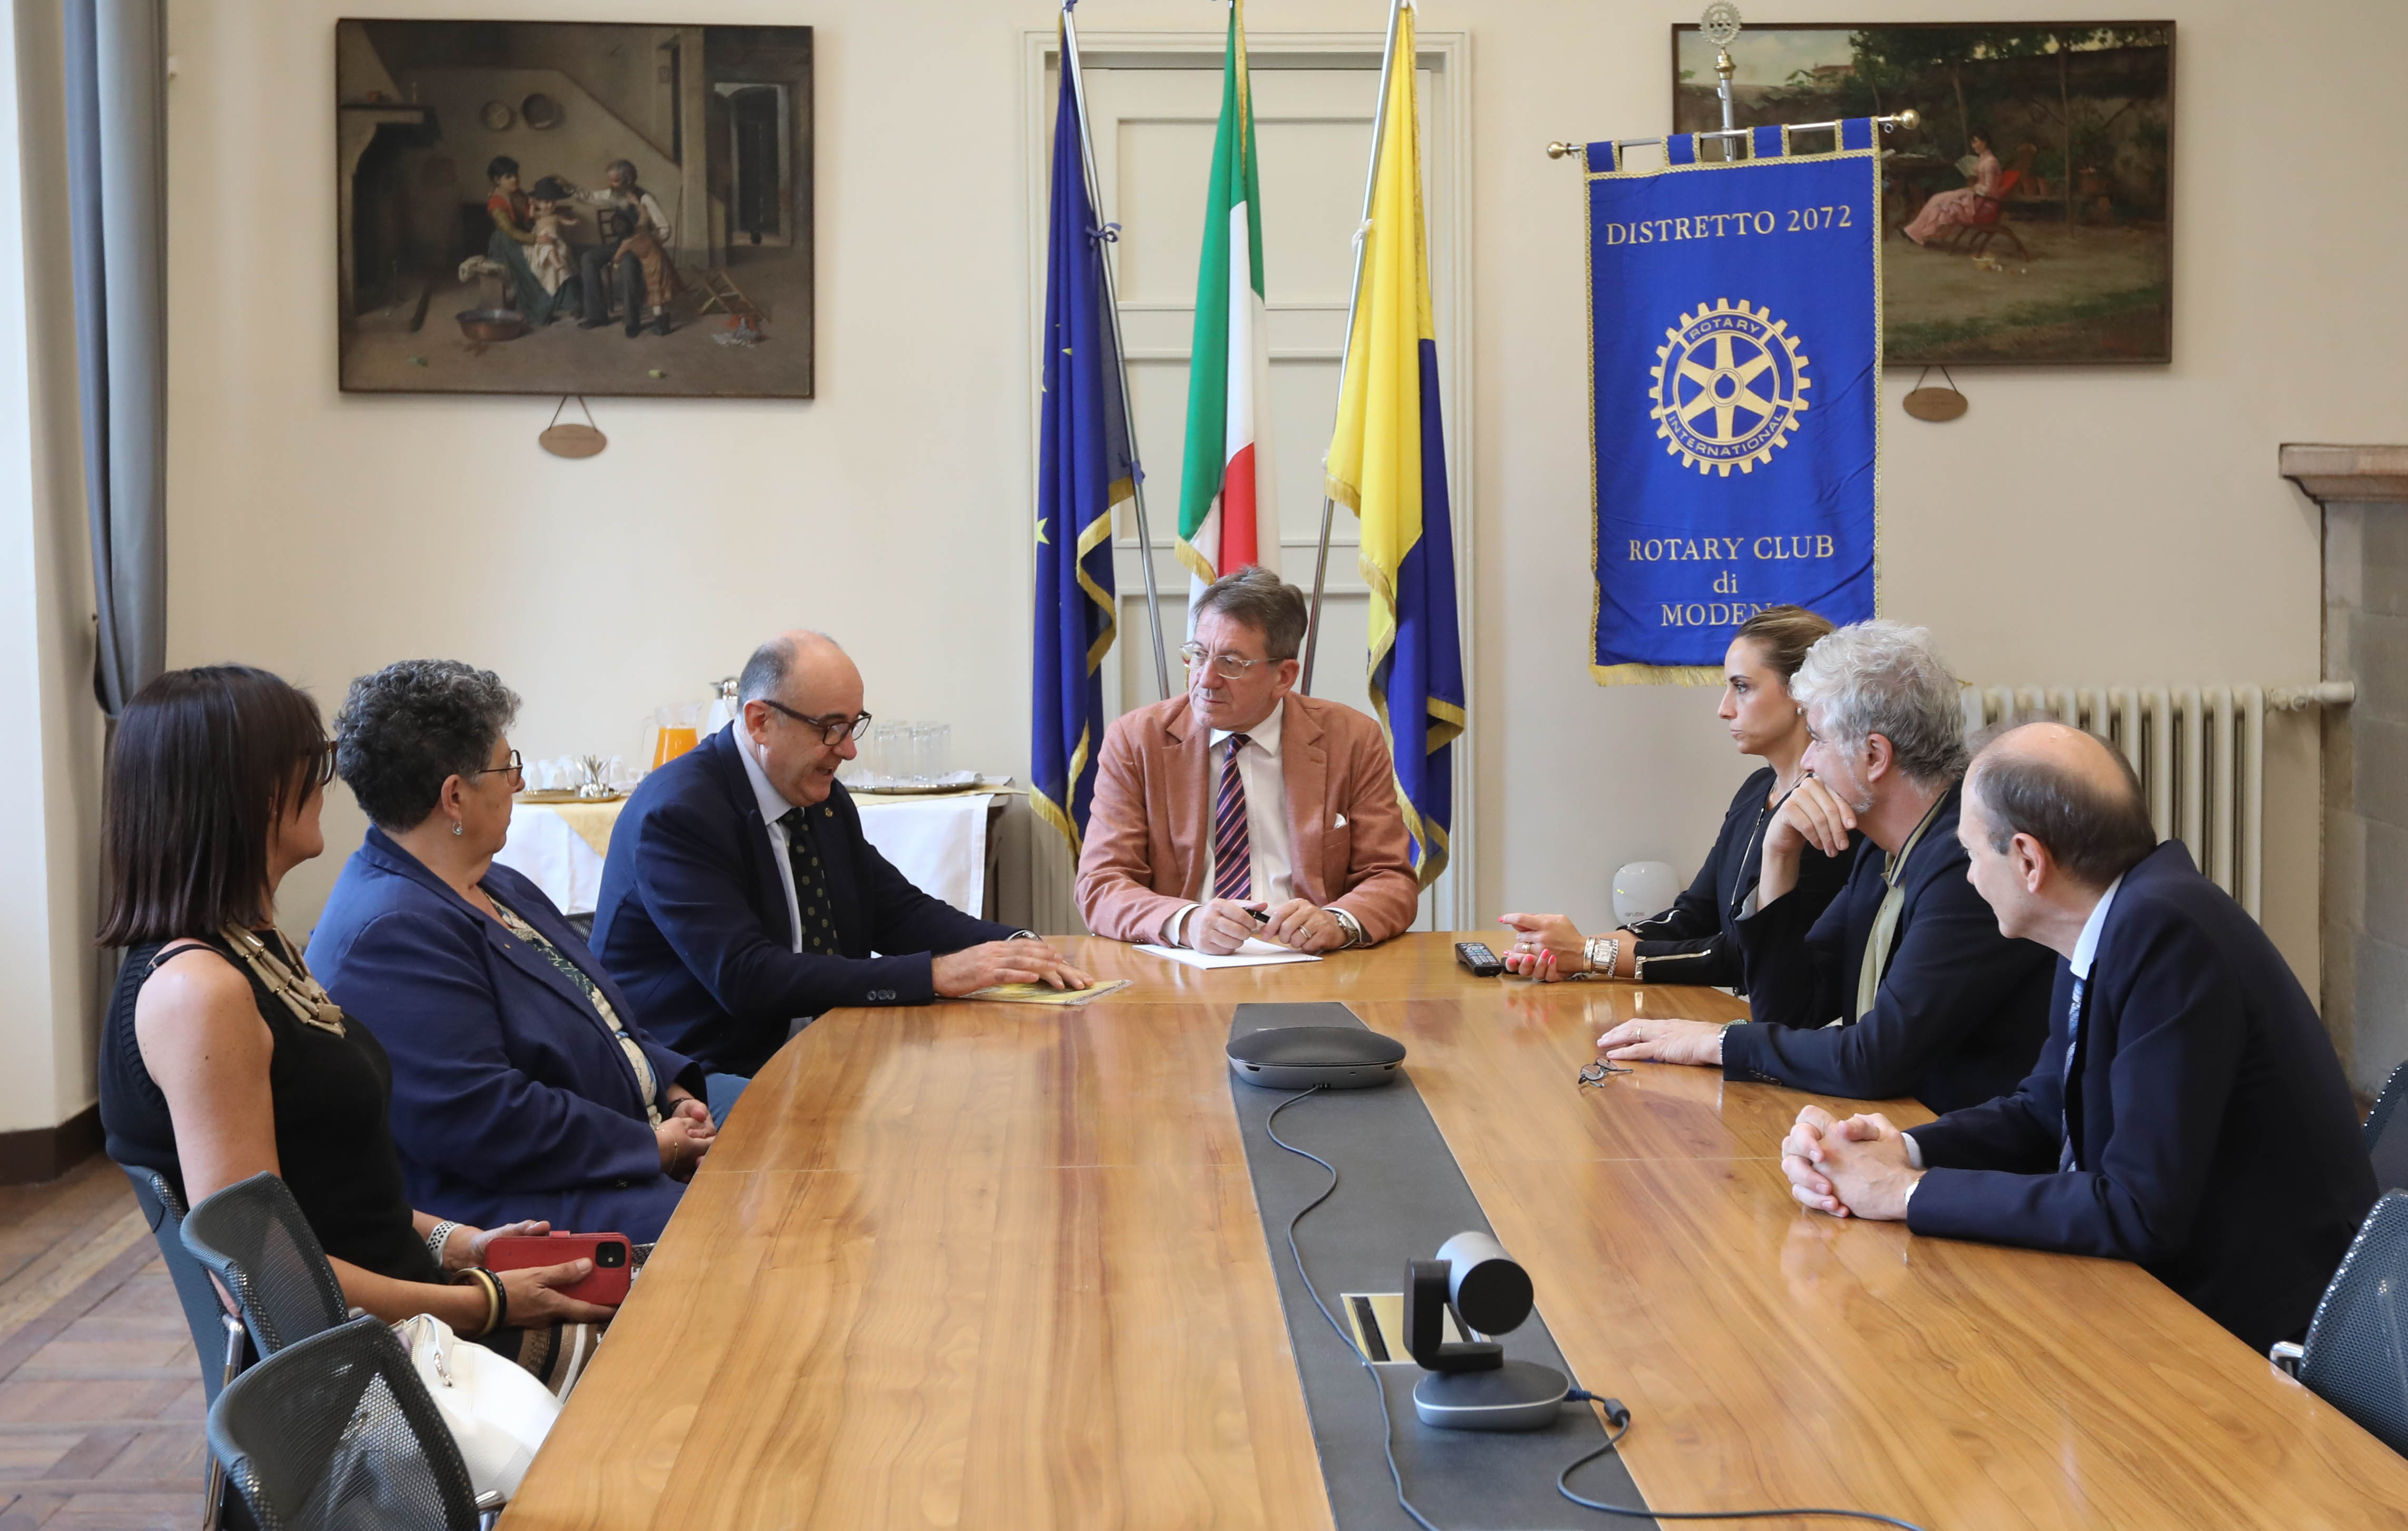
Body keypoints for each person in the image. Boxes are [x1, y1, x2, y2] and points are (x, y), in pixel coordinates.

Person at [1779, 723, 2378, 1353]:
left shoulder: (2167, 935)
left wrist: (1904, 1193)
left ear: (2030, 862)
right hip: (2179, 1295)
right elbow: (2046, 1109)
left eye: (1972, 855)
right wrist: (1904, 1149)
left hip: (2274, 1338)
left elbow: (2137, 1210)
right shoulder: (2105, 917)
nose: (1971, 878)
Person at [97, 667, 614, 1395]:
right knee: (673, 1359)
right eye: (311, 760)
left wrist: (466, 1241)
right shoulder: (198, 991)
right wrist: (482, 1300)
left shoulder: (253, 943)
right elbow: (266, 1272)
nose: (326, 780)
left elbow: (337, 1194)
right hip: (371, 1368)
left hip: (409, 1315)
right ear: (243, 789)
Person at [591, 631, 1091, 1115]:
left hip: (810, 1042)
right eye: (830, 728)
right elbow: (747, 976)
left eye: (855, 725)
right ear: (760, 721)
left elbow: (897, 912)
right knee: (858, 1124)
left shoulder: (815, 796)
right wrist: (935, 973)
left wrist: (1021, 948)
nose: (849, 749)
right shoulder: (680, 812)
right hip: (690, 1070)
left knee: (973, 1091)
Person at [309, 661, 713, 1247]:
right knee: (755, 1225)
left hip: (618, 1137)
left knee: (793, 1137)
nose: (516, 783)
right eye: (507, 766)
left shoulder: (494, 882)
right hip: (524, 1207)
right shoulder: (391, 931)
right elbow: (486, 1120)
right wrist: (650, 1146)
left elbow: (603, 1013)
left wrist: (673, 1094)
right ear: (455, 797)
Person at [1595, 621, 2054, 1114]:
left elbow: (1875, 1058)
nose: (1808, 760)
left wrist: (1718, 1042)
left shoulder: (1966, 862)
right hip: (1899, 1131)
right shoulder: (1882, 849)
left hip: (1969, 1157)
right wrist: (1778, 856)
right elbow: (1791, 1010)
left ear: (1874, 755)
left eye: (1817, 738)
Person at [1497, 606, 1853, 989]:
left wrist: (1589, 954)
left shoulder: (1826, 809)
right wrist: (1566, 950)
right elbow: (1691, 916)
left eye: (1743, 686)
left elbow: (1737, 954)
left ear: (1802, 693)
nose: (1724, 708)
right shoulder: (1756, 789)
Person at [1075, 566, 1420, 953]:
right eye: (1198, 654)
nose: (1205, 678)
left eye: (1231, 663)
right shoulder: (1137, 741)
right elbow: (1101, 883)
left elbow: (1391, 878)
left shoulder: (1352, 739)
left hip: (1311, 962)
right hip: (1183, 961)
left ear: (1284, 676)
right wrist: (1187, 921)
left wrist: (1338, 921)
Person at [573, 159, 679, 337]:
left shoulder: (645, 199)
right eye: (610, 180)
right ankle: (598, 316)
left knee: (627, 264)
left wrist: (647, 243)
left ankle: (632, 322)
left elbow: (665, 228)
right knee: (588, 258)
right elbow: (592, 197)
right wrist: (570, 189)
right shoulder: (616, 194)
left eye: (614, 181)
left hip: (638, 246)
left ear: (628, 180)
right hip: (621, 243)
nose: (610, 185)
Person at [481, 156, 572, 326]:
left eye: (515, 175)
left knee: (558, 252)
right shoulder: (497, 201)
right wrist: (536, 239)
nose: (515, 179)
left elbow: (529, 221)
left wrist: (533, 209)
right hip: (506, 243)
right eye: (509, 177)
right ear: (497, 180)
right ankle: (536, 310)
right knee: (530, 267)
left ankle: (563, 302)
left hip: (523, 237)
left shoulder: (519, 195)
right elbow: (509, 231)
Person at [1903, 131, 2002, 247]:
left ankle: (1919, 232)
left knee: (1942, 202)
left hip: (1984, 202)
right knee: (1937, 199)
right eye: (1972, 143)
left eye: (1976, 142)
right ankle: (1915, 231)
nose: (1973, 146)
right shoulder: (1984, 159)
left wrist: (1975, 188)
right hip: (1975, 195)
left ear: (1984, 143)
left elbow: (1989, 190)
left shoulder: (1990, 162)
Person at [525, 176, 582, 299]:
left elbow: (566, 222)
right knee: (548, 247)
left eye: (553, 202)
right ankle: (556, 263)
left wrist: (573, 223)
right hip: (543, 239)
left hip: (556, 240)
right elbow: (532, 214)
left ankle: (567, 286)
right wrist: (532, 205)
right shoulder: (540, 215)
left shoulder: (557, 216)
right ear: (539, 203)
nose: (550, 205)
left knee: (563, 250)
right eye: (546, 202)